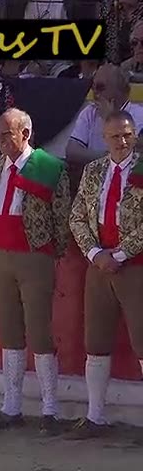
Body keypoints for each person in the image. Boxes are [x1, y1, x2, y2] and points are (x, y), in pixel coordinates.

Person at [0, 108, 72, 433]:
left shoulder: (48, 168)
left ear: (26, 134)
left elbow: (62, 214)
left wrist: (52, 253)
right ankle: (12, 405)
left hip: (36, 255)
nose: (3, 141)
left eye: (8, 134)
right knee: (9, 330)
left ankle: (50, 407)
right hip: (1, 254)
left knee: (39, 330)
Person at [67, 110, 143, 438]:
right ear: (104, 138)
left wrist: (122, 253)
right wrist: (96, 254)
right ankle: (95, 416)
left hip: (136, 266)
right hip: (99, 266)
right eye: (115, 136)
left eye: (127, 135)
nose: (122, 141)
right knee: (95, 341)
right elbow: (77, 217)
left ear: (135, 135)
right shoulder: (94, 170)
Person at [67, 65, 143, 167]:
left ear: (119, 89)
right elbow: (72, 151)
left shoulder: (139, 114)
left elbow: (128, 155)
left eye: (100, 87)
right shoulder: (90, 112)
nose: (95, 93)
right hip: (93, 175)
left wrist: (110, 119)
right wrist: (106, 158)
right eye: (93, 87)